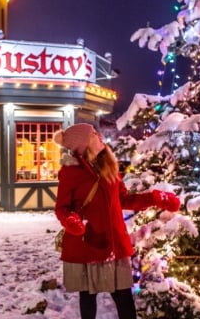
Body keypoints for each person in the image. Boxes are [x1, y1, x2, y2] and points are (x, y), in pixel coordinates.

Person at [53, 123, 180, 319]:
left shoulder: (108, 166)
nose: (100, 136)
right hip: (90, 243)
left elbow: (124, 199)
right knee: (88, 299)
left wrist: (155, 198)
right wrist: (70, 220)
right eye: (94, 134)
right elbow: (61, 208)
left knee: (124, 298)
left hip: (115, 244)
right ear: (84, 143)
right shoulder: (71, 172)